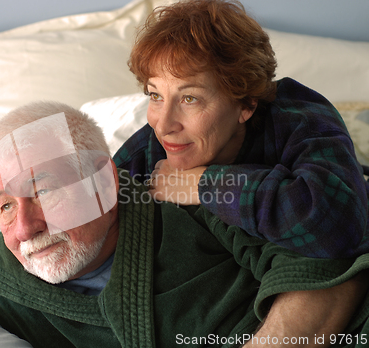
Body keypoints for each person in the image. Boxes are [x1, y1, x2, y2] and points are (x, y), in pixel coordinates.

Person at [0, 101, 369, 348]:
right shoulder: (3, 291)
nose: (25, 228)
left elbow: (328, 264)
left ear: (105, 181)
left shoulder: (201, 199)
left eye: (44, 192)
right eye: (6, 205)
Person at [113, 0, 369, 258]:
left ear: (246, 104)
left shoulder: (303, 120)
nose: (164, 126)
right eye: (155, 96)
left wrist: (206, 185)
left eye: (190, 98)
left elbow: (339, 226)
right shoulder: (144, 152)